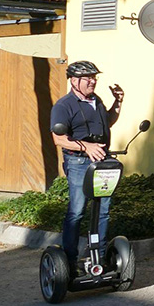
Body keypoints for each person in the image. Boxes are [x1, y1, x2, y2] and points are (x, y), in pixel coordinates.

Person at [50, 60, 123, 269]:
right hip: (78, 162)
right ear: (74, 81)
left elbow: (108, 121)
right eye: (88, 78)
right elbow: (59, 139)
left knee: (103, 210)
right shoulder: (63, 106)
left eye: (94, 77)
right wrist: (86, 147)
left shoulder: (96, 100)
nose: (93, 81)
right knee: (77, 211)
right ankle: (70, 261)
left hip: (101, 161)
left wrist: (118, 102)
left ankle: (99, 257)